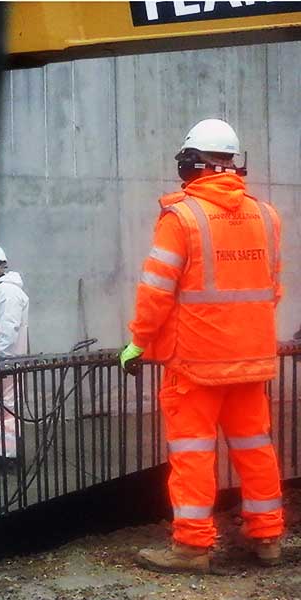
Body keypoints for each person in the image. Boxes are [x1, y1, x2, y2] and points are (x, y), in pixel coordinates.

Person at [121, 119, 284, 573]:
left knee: (192, 455)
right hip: (250, 362)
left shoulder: (182, 217)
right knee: (256, 450)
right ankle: (268, 537)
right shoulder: (267, 216)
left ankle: (193, 547)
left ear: (192, 163)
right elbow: (272, 289)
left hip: (195, 365)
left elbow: (155, 292)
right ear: (233, 164)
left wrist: (138, 343)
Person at [0, 243, 29, 471]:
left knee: (7, 408)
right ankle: (4, 453)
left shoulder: (7, 291)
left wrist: (0, 359)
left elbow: (9, 328)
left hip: (7, 360)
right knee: (1, 408)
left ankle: (8, 457)